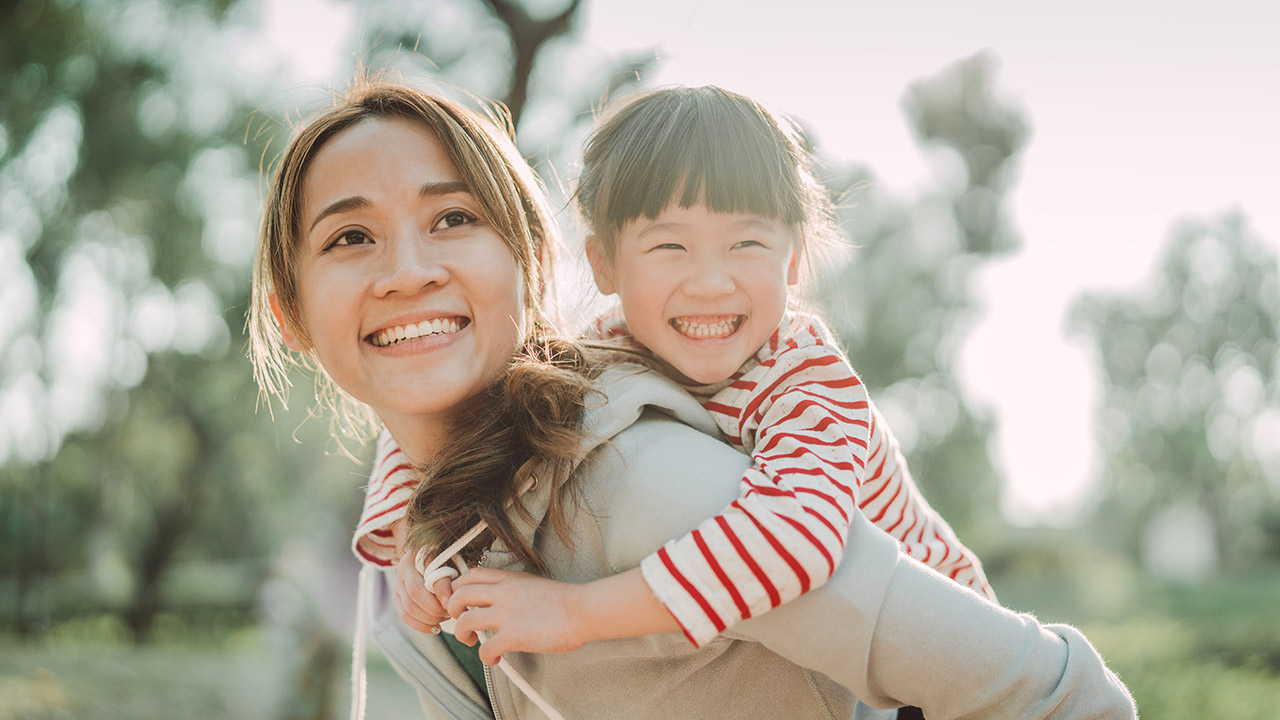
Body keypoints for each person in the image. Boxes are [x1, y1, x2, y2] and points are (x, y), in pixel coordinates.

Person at [249, 80, 1137, 719]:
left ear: (532, 261)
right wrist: (408, 542)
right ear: (291, 313)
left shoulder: (638, 479)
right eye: (352, 236)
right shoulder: (449, 531)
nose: (409, 271)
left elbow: (1060, 699)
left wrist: (580, 614)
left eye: (453, 220)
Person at [362, 85, 995, 656]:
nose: (711, 283)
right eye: (670, 246)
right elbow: (468, 414)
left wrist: (577, 613)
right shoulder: (605, 353)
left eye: (747, 243)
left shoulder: (806, 383)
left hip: (949, 662)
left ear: (794, 257)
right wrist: (415, 539)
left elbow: (797, 541)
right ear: (604, 265)